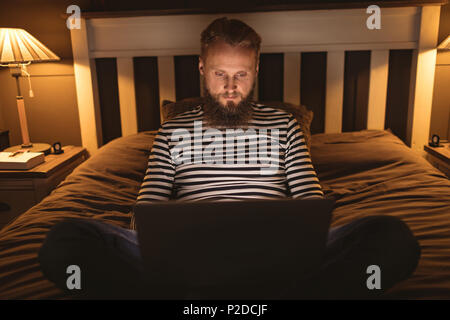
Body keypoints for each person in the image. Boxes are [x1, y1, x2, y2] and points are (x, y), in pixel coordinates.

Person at [38, 17, 420, 300]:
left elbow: (309, 199)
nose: (231, 87)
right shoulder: (172, 130)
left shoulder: (285, 125)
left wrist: (304, 236)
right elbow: (148, 205)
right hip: (186, 255)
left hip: (275, 253)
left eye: (241, 74)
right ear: (202, 70)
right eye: (220, 74)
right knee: (65, 240)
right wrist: (157, 242)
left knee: (392, 236)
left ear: (256, 72)